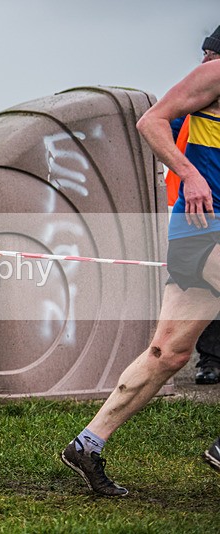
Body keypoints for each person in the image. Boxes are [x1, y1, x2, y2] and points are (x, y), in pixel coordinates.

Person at [60, 26, 220, 495]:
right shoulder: (214, 74)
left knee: (168, 353)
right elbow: (151, 121)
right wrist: (189, 174)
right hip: (205, 222)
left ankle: (87, 444)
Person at [165, 28, 220, 385]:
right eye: (204, 53)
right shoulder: (197, 97)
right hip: (199, 217)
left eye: (211, 55)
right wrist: (189, 174)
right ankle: (211, 360)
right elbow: (161, 127)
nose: (204, 61)